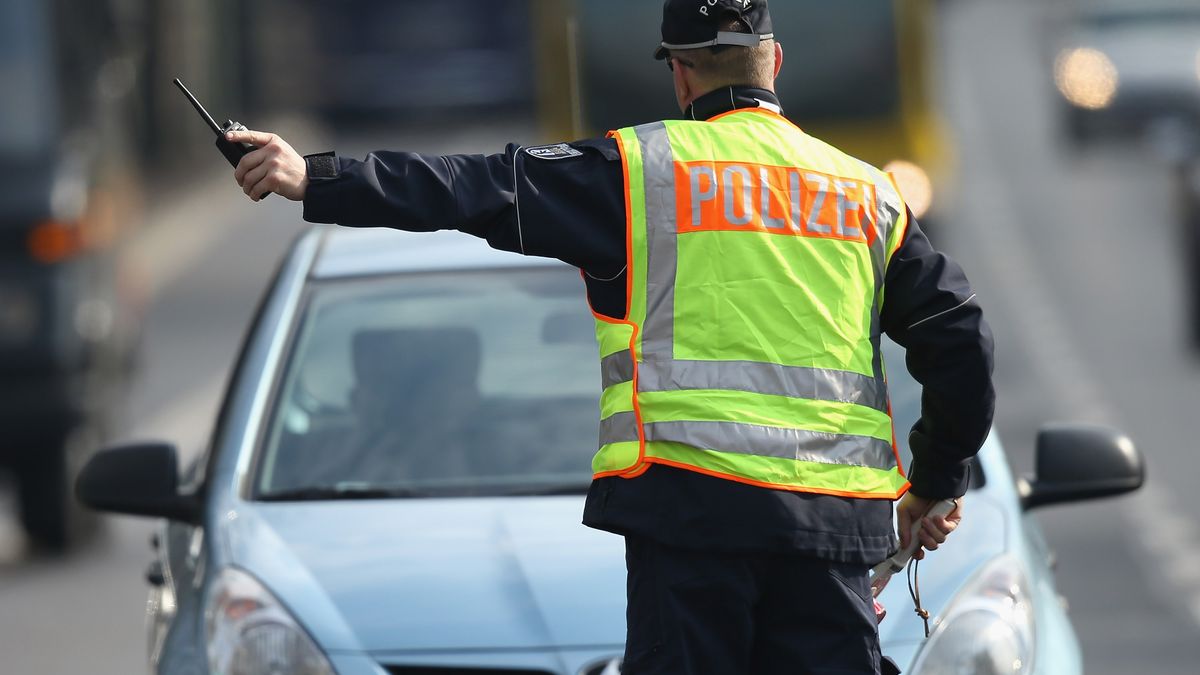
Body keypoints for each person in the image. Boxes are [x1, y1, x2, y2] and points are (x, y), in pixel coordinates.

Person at [226, 1, 995, 672]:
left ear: (680, 75)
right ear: (775, 63)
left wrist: (315, 177)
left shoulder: (638, 170)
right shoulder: (865, 193)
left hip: (690, 523)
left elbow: (472, 187)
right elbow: (960, 342)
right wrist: (935, 481)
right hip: (831, 534)